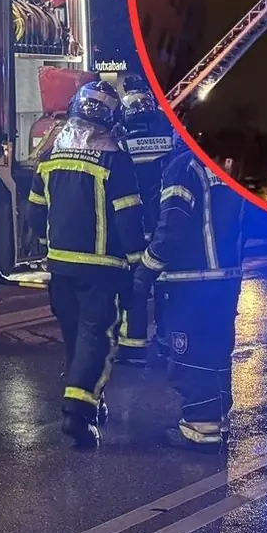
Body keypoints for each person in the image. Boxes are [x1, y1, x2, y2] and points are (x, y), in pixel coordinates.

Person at [27, 79, 146, 449]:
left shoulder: (51, 155)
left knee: (75, 339)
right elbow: (128, 217)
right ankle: (77, 414)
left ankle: (90, 399)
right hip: (102, 268)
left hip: (60, 267)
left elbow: (35, 211)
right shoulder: (115, 157)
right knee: (96, 338)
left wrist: (49, 248)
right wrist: (138, 264)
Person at [132, 137, 246, 452]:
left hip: (191, 281)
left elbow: (172, 227)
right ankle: (217, 420)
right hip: (226, 279)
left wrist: (145, 271)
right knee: (216, 353)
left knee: (190, 356)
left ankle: (200, 428)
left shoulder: (183, 168)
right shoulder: (223, 168)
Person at [114, 84, 176, 369]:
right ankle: (167, 341)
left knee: (136, 284)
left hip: (136, 225)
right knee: (166, 286)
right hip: (164, 222)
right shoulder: (169, 138)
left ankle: (133, 346)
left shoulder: (122, 143)